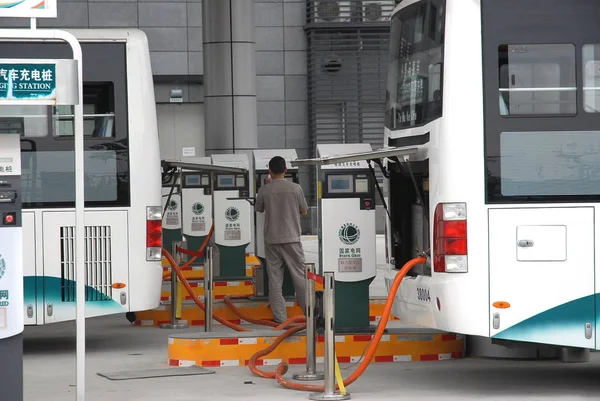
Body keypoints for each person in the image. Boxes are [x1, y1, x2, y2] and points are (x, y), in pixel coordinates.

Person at [255, 156, 308, 323]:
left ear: (269, 170)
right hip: (292, 238)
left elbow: (259, 208)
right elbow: (304, 211)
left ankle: (280, 318)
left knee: (275, 280)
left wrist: (267, 184)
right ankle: (311, 314)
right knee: (299, 277)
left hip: (271, 239)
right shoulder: (295, 188)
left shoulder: (264, 190)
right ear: (286, 170)